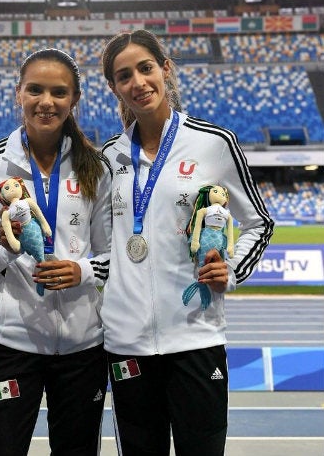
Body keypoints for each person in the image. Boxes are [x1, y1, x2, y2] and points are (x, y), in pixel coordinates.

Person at [99, 29, 274, 456]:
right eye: (125, 76)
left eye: (145, 68)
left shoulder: (214, 143)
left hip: (196, 338)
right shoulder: (109, 158)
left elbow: (259, 223)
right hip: (126, 344)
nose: (138, 83)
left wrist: (231, 268)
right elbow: (103, 248)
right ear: (114, 88)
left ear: (165, 69)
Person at [0, 48, 112, 456]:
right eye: (35, 90)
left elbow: (117, 259)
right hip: (12, 345)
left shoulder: (96, 167)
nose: (47, 102)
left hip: (83, 349)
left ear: (74, 99)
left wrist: (80, 271)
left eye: (59, 92)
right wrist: (10, 247)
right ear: (19, 94)